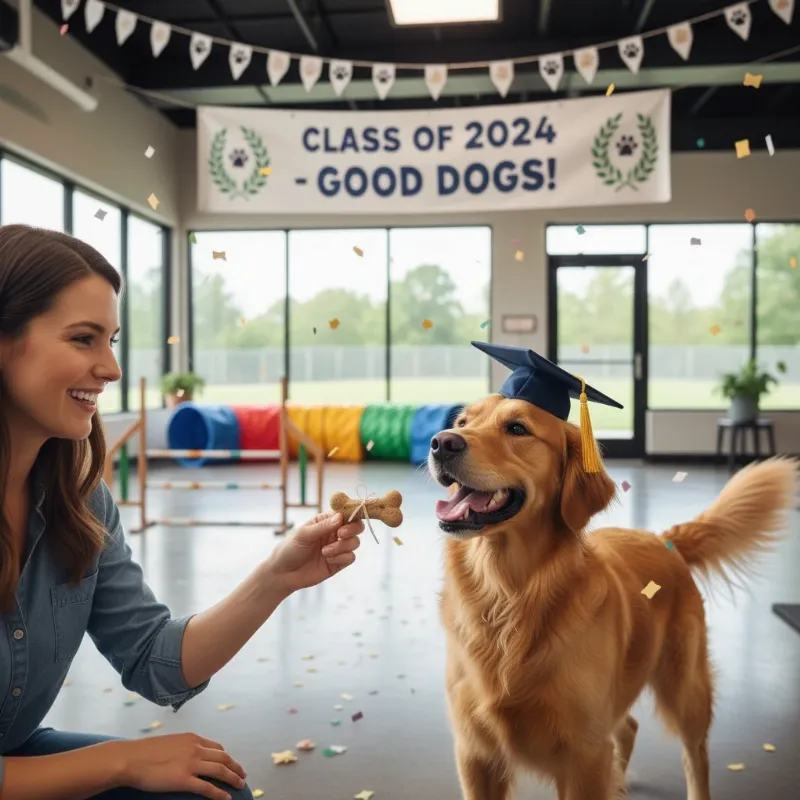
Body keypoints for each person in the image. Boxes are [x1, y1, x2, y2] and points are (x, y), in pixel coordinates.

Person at [0, 224, 365, 800]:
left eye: (112, 340)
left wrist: (277, 578)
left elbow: (155, 661)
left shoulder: (83, 502)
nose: (112, 368)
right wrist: (120, 761)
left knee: (210, 789)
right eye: (83, 339)